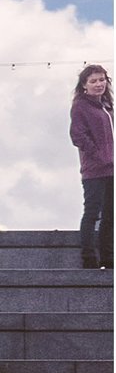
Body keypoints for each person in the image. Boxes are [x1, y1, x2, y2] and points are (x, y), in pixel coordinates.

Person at [73, 63, 112, 269]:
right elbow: (77, 135)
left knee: (110, 215)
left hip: (112, 169)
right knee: (92, 213)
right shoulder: (81, 105)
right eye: (93, 81)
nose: (99, 84)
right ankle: (89, 259)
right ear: (85, 85)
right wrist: (99, 156)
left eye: (102, 79)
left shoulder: (106, 106)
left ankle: (108, 257)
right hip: (94, 171)